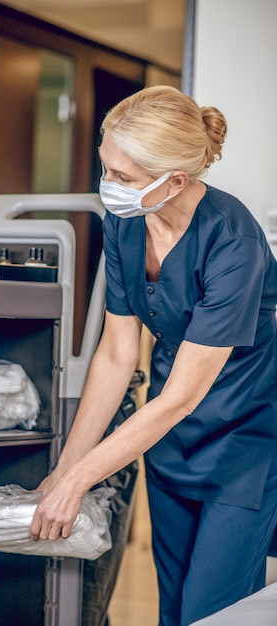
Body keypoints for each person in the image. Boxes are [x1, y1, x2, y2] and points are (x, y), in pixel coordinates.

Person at [30, 85, 277, 626]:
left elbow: (185, 396)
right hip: (168, 441)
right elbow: (118, 354)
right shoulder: (125, 221)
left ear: (176, 181)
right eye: (106, 169)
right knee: (173, 612)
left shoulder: (233, 242)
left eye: (123, 178)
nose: (107, 187)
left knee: (213, 612)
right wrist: (66, 467)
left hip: (241, 443)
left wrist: (78, 482)